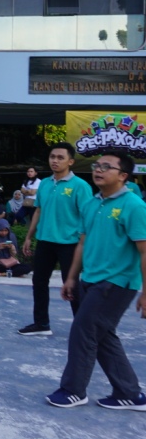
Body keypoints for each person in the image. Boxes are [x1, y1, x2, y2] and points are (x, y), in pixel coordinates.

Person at [46, 151, 146, 410]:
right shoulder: (92, 203)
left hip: (117, 282)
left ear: (123, 175)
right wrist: (71, 278)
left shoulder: (134, 206)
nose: (99, 170)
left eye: (107, 167)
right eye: (96, 165)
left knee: (83, 330)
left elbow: (144, 250)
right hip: (90, 279)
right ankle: (129, 393)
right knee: (102, 335)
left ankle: (73, 390)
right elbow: (82, 243)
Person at [18, 142, 94, 337]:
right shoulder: (44, 183)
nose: (55, 161)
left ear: (71, 161)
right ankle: (41, 324)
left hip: (70, 243)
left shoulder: (80, 186)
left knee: (72, 285)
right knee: (39, 282)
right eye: (52, 157)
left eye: (60, 157)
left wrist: (84, 243)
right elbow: (39, 210)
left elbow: (87, 215)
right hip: (45, 241)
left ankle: (82, 328)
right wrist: (29, 236)